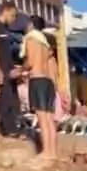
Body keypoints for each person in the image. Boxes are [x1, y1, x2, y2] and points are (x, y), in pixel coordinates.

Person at [22, 15, 57, 160]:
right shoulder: (45, 43)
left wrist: (19, 69)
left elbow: (30, 62)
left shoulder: (31, 39)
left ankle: (46, 152)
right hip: (48, 81)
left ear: (30, 24)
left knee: (42, 119)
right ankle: (52, 151)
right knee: (49, 119)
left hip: (37, 79)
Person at [0, 2, 24, 138]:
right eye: (13, 15)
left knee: (14, 99)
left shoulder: (6, 28)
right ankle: (7, 129)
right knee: (6, 98)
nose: (13, 19)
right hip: (1, 67)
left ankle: (15, 126)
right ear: (6, 11)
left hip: (10, 67)